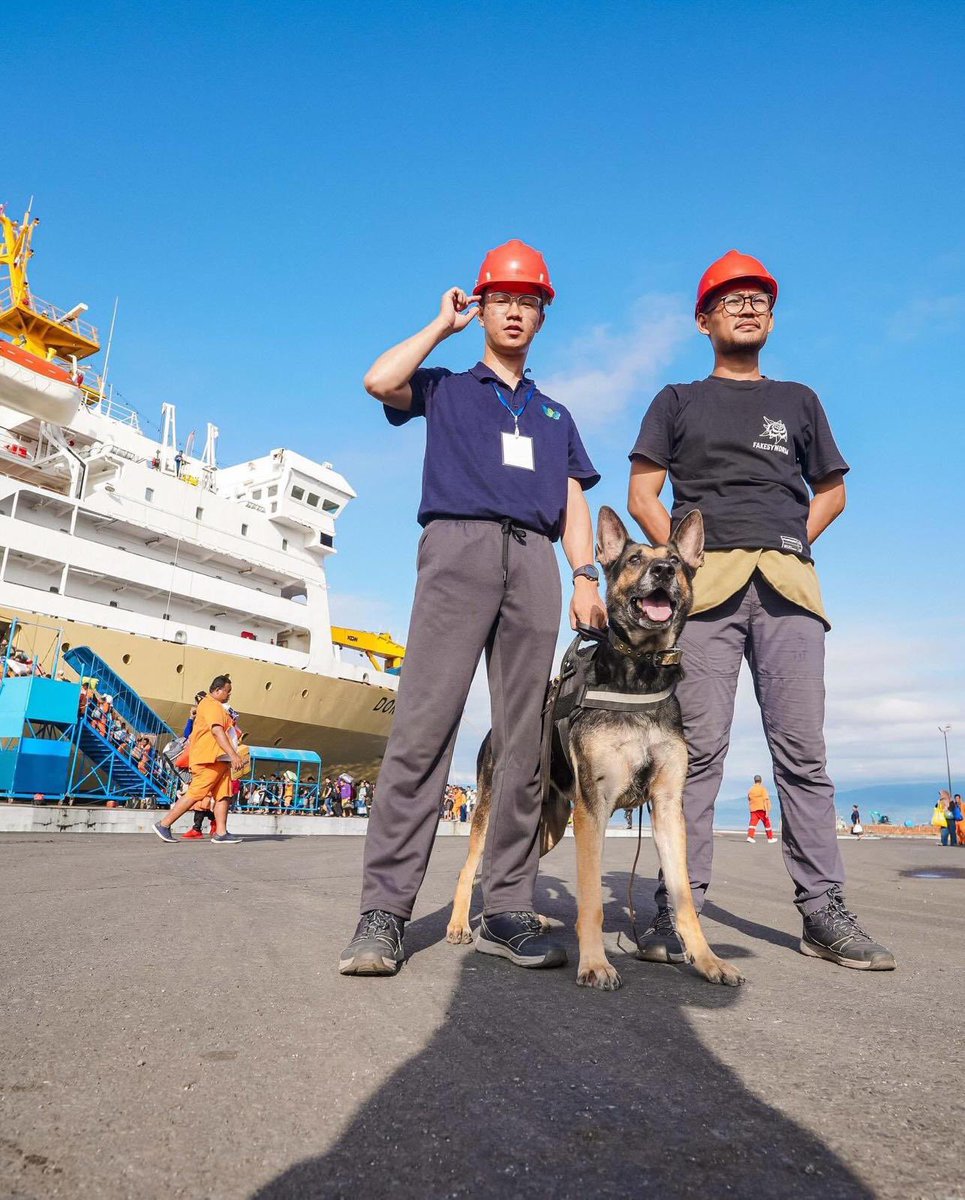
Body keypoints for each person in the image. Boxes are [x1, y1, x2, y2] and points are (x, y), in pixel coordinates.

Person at [340, 239, 603, 978]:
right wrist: (439, 326)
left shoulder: (555, 416)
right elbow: (376, 379)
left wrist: (584, 575)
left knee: (524, 739)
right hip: (456, 549)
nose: (514, 310)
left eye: (528, 301)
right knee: (423, 727)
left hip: (535, 562)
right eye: (501, 299)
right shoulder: (447, 387)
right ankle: (383, 913)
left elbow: (575, 500)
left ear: (541, 314)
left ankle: (508, 906)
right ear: (481, 306)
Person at [627, 249, 895, 971]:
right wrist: (682, 563)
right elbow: (642, 495)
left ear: (771, 319)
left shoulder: (800, 400)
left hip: (788, 590)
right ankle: (676, 908)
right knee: (696, 755)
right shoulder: (676, 400)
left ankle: (821, 912)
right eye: (732, 299)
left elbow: (831, 492)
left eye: (759, 301)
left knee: (802, 756)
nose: (748, 308)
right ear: (703, 319)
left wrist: (785, 543)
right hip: (704, 592)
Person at [153, 675, 243, 845]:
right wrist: (233, 755)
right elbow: (217, 731)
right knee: (196, 793)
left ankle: (221, 832)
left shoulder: (219, 707)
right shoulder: (211, 705)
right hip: (208, 759)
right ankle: (163, 824)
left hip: (220, 760)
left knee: (223, 795)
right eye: (228, 691)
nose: (230, 694)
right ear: (217, 690)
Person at [747, 775, 777, 843]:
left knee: (752, 824)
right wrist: (767, 811)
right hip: (761, 809)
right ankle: (770, 838)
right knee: (767, 823)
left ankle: (750, 837)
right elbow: (765, 800)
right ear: (761, 780)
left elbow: (749, 798)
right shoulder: (762, 788)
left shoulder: (751, 789)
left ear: (754, 781)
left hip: (753, 809)